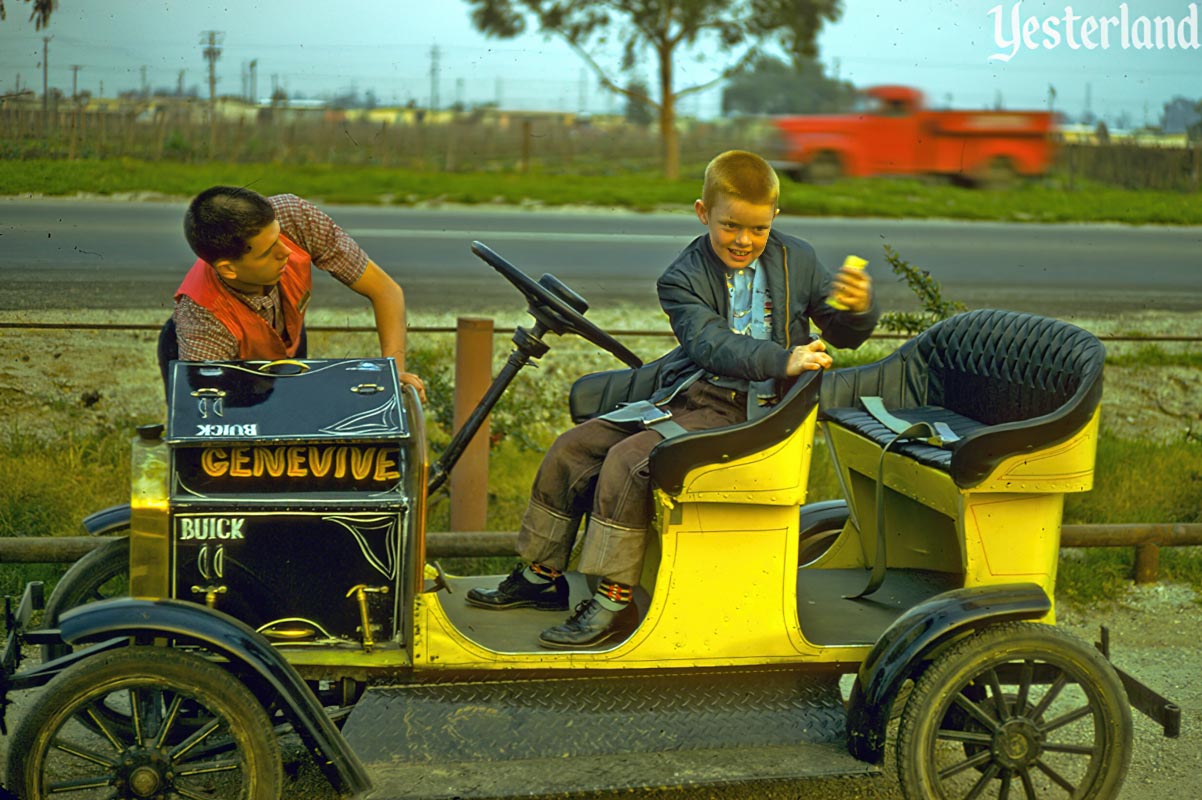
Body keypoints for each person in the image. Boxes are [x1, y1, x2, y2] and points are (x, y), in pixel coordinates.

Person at [466, 150, 879, 650]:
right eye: (730, 226)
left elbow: (844, 332)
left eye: (759, 229)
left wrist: (856, 310)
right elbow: (710, 345)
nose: (744, 241)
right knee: (574, 447)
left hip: (759, 415)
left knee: (630, 461)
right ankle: (541, 574)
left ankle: (615, 599)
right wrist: (783, 358)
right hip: (696, 395)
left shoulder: (800, 259)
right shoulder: (681, 277)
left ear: (774, 218)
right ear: (703, 213)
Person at [173, 186, 426, 401]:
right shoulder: (201, 321)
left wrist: (394, 372)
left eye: (279, 235)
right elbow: (210, 418)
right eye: (267, 252)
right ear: (228, 269)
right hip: (232, 370)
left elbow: (386, 290)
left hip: (287, 344)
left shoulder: (295, 217)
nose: (285, 251)